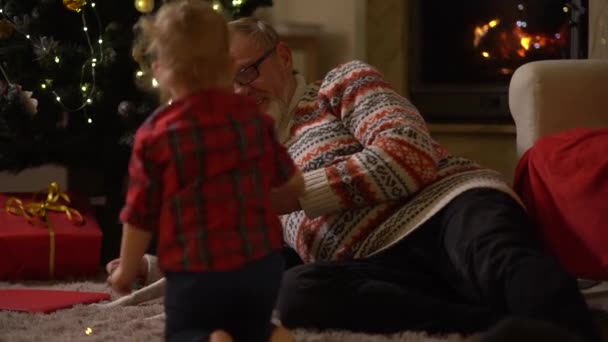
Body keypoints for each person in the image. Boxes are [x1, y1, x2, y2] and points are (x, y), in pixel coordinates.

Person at [109, 16, 601, 342]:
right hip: (370, 265)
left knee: (498, 258)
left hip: (445, 205)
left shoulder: (340, 83)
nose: (240, 92)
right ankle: (499, 330)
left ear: (282, 58)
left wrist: (294, 197)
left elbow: (409, 156)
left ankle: (570, 331)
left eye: (248, 72)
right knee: (296, 294)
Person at [106, 3, 302, 342]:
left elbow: (139, 215)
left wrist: (125, 270)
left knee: (187, 330)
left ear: (159, 71)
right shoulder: (253, 119)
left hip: (197, 270)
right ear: (228, 66)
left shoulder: (154, 134)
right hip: (261, 264)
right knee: (251, 325)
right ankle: (272, 336)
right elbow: (293, 181)